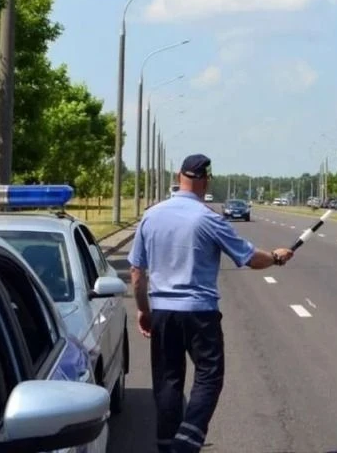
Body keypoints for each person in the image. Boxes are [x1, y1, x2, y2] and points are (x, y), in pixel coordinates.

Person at [127, 153, 295, 453]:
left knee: (167, 383)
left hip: (163, 312)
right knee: (208, 377)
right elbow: (249, 258)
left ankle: (167, 446)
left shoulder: (151, 216)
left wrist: (143, 309)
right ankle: (187, 441)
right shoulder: (207, 219)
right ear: (205, 180)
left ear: (179, 177)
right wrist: (276, 257)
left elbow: (137, 271)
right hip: (199, 314)